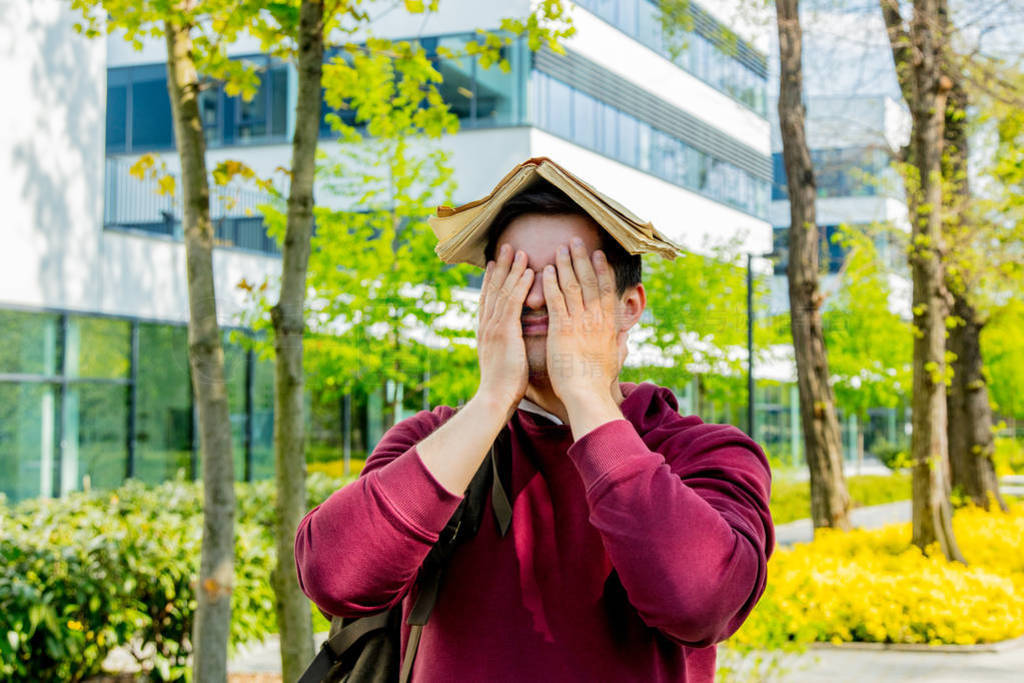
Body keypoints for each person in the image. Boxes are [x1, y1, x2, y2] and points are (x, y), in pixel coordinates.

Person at [295, 179, 775, 682]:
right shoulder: (431, 441)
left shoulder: (703, 452)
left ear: (629, 306)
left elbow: (702, 604)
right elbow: (333, 577)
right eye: (515, 275)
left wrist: (586, 393)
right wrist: (492, 400)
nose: (537, 299)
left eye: (569, 277)